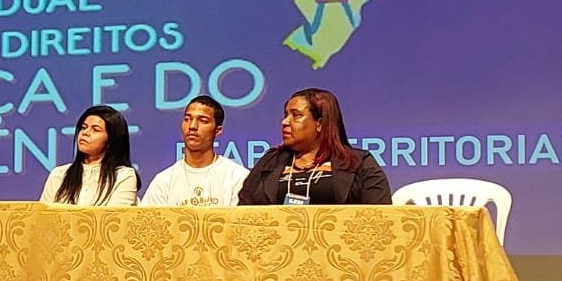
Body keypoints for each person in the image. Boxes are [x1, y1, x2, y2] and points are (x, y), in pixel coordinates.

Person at [238, 88, 391, 205]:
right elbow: (244, 212)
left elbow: (379, 215)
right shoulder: (270, 162)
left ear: (320, 123)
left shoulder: (358, 162)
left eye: (296, 115)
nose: (285, 122)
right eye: (286, 115)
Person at [140, 95, 248, 207]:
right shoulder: (164, 181)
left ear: (217, 130)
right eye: (187, 119)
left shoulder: (237, 177)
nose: (192, 126)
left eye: (203, 121)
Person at [40, 105, 140, 207]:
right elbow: (42, 214)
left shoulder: (123, 176)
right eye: (83, 127)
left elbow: (115, 216)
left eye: (95, 129)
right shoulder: (58, 175)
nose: (85, 132)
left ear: (111, 140)